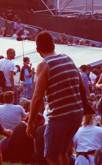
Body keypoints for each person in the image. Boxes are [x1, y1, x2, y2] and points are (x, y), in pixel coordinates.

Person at [28, 32, 89, 165]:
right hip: (77, 114)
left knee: (50, 155)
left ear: (37, 50)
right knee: (62, 151)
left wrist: (30, 122)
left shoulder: (44, 65)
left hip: (60, 117)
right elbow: (81, 85)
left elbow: (37, 96)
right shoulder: (68, 58)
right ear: (54, 45)